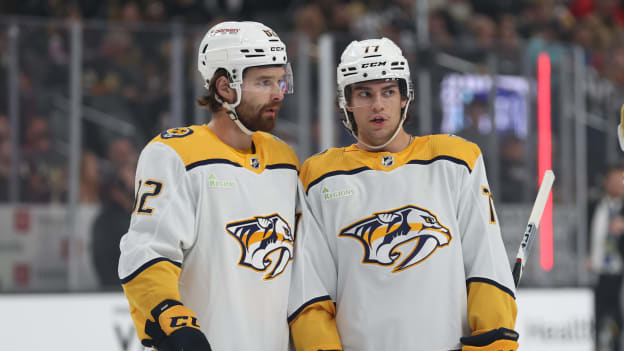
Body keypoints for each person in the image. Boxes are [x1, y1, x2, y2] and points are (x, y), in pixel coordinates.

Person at [287, 37, 519, 351]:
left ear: (404, 97)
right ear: (347, 102)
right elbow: (310, 293)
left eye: (388, 91)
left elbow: (486, 264)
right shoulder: (320, 176)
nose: (378, 105)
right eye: (364, 93)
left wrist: (494, 341)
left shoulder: (455, 160)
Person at [118, 21, 299, 351]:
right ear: (225, 87)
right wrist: (170, 316)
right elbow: (146, 251)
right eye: (263, 82)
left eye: (280, 80)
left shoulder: (284, 158)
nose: (278, 93)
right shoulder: (174, 154)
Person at [589, 164, 624, 351]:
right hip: (597, 273)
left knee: (618, 318)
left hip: (619, 274)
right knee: (596, 318)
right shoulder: (593, 205)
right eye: (615, 180)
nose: (620, 185)